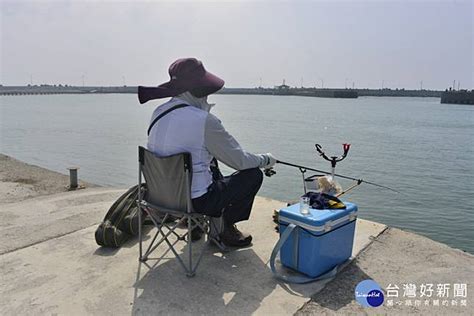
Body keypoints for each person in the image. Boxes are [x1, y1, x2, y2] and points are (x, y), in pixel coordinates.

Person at [138, 58, 276, 247]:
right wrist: (265, 159)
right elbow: (240, 161)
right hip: (195, 202)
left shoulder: (158, 112)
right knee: (252, 175)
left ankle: (196, 224)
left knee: (206, 160)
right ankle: (224, 228)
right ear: (199, 90)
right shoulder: (204, 121)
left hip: (159, 199)